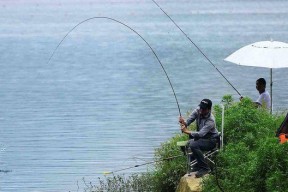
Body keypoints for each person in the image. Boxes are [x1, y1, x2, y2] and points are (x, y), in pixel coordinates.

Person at [179, 99, 219, 178]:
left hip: (211, 140)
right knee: (184, 145)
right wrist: (183, 123)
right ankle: (196, 165)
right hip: (202, 138)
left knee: (193, 144)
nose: (201, 110)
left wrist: (186, 131)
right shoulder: (197, 110)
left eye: (203, 109)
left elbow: (200, 134)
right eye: (200, 107)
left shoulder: (211, 120)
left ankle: (205, 168)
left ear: (209, 109)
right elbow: (188, 121)